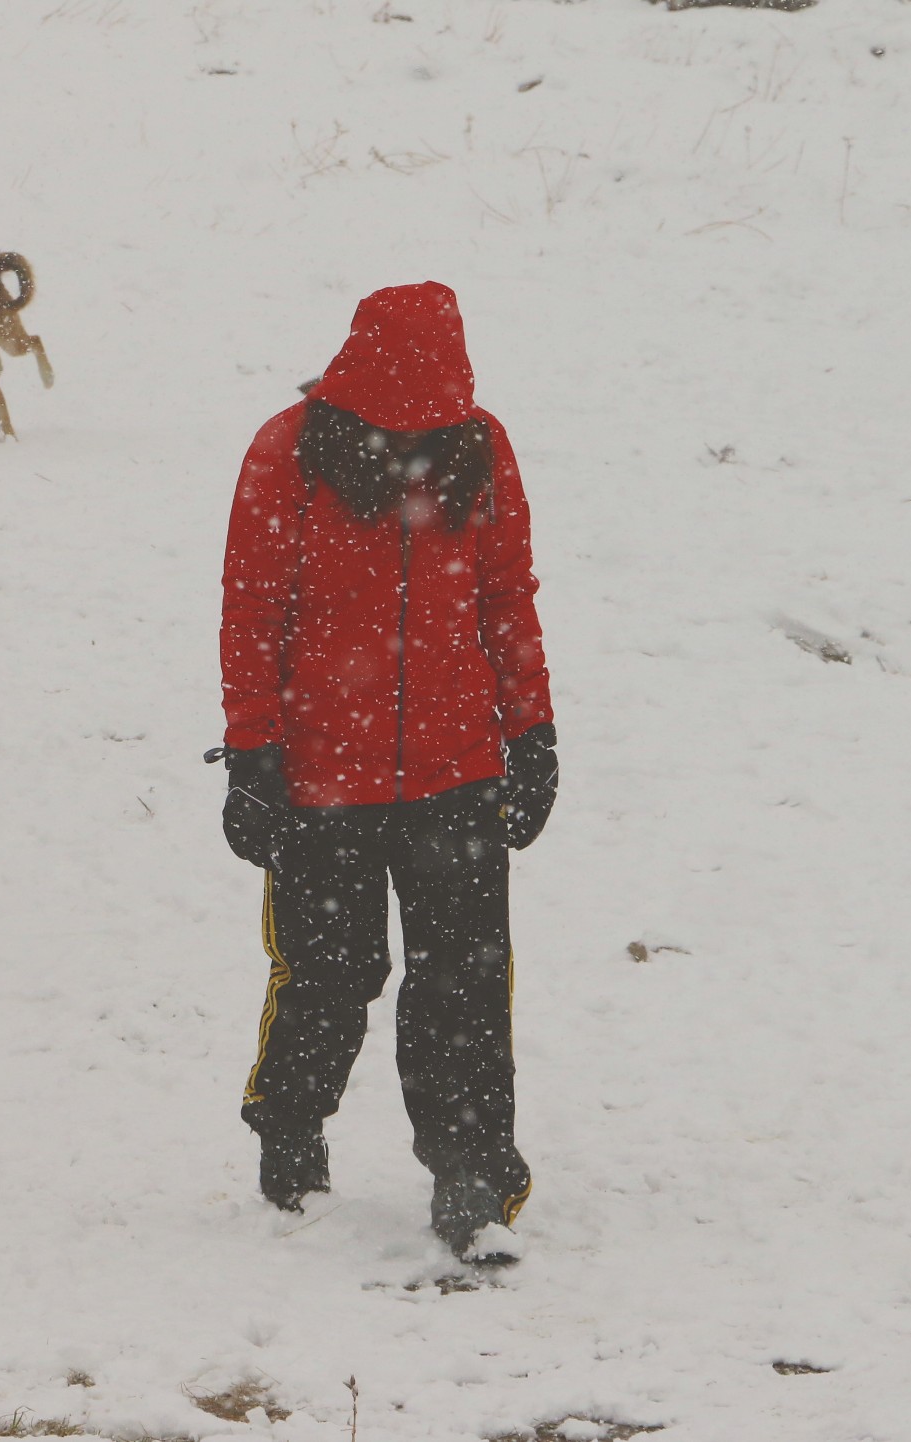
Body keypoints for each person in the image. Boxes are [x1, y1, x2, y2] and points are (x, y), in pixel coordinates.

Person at [212, 281, 558, 1262]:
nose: (412, 444)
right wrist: (253, 755)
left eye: (429, 426)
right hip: (324, 777)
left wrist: (530, 734)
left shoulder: (477, 447)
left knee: (464, 978)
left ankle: (471, 1173)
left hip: (456, 770)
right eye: (393, 428)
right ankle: (288, 1129)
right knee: (331, 970)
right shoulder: (285, 451)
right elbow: (252, 612)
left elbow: (505, 598)